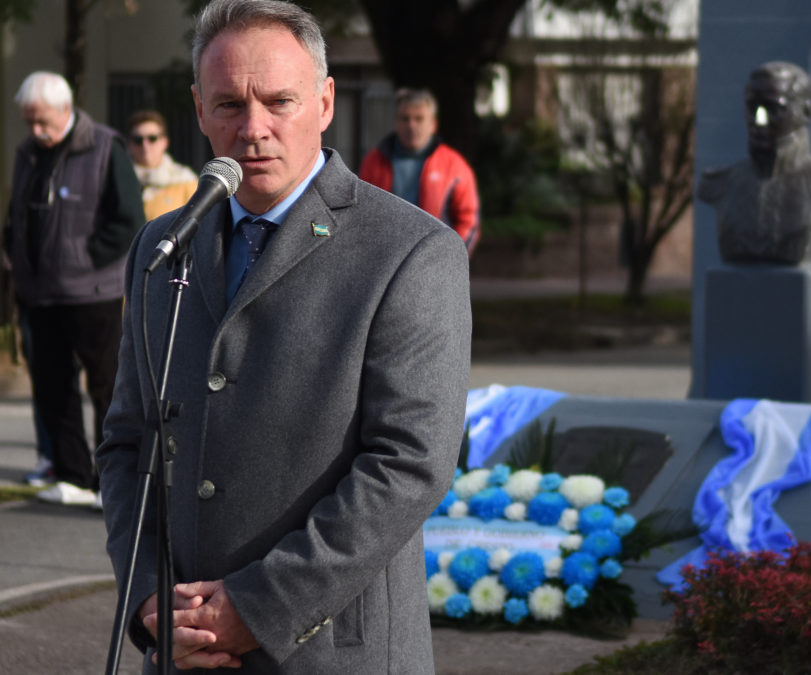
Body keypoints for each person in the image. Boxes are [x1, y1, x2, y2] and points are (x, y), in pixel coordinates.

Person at [96, 0, 471, 672]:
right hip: (183, 650)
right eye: (230, 105)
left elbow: (409, 462)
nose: (254, 129)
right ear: (199, 108)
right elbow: (128, 444)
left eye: (279, 101)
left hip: (330, 649)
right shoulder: (162, 245)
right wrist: (149, 600)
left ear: (325, 101)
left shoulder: (412, 251)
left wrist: (257, 607)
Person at [4, 71, 144, 506]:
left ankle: (111, 480)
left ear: (66, 111)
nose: (36, 131)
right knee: (51, 389)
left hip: (94, 293)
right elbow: (18, 215)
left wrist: (85, 258)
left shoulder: (106, 146)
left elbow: (129, 220)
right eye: (29, 121)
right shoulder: (27, 152)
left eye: (43, 121)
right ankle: (72, 475)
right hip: (41, 293)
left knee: (106, 387)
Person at [698, 61, 811, 264]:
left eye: (773, 108)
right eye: (753, 108)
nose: (759, 120)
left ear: (805, 112)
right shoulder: (720, 184)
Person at [360, 88, 480, 254]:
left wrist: (451, 258)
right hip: (385, 259)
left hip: (434, 259)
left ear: (433, 124)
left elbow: (469, 219)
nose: (411, 125)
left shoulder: (454, 166)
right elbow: (361, 213)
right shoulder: (373, 162)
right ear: (396, 122)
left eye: (419, 119)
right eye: (405, 119)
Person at [126, 109, 199, 220]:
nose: (145, 146)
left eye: (152, 139)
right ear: (129, 144)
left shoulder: (185, 181)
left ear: (165, 142)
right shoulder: (119, 181)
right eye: (138, 140)